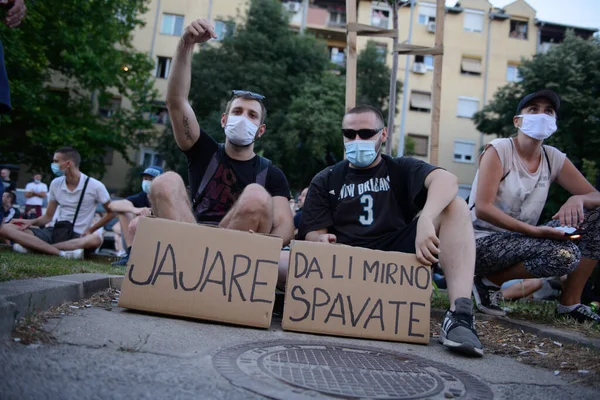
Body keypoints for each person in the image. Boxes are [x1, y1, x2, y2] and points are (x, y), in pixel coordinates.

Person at [286, 105, 483, 357]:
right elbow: (313, 233)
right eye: (350, 134)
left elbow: (448, 181)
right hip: (346, 262)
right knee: (281, 261)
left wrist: (427, 219)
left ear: (383, 134)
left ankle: (460, 315)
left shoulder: (399, 168)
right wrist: (320, 240)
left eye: (366, 133)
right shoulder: (326, 179)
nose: (357, 140)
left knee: (455, 207)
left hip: (398, 259)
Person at [149, 19, 294, 245]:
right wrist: (186, 44)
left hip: (235, 251)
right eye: (237, 111)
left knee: (256, 196)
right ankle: (193, 256)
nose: (243, 118)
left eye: (252, 115)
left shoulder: (271, 175)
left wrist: (267, 246)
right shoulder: (203, 152)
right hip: (190, 235)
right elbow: (176, 101)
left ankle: (204, 260)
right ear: (224, 120)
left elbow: (285, 224)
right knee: (163, 181)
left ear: (261, 130)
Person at [469, 89, 600, 323]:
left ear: (555, 122)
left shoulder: (553, 158)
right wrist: (537, 232)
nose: (542, 115)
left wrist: (578, 199)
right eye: (533, 110)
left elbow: (595, 195)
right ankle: (488, 282)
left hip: (522, 241)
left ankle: (570, 305)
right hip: (479, 242)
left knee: (596, 214)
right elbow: (483, 209)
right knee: (564, 255)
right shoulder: (499, 150)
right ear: (517, 121)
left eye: (548, 111)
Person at [0, 147, 114, 259]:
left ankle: (39, 248)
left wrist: (91, 229)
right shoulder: (56, 183)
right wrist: (30, 221)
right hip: (55, 231)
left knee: (95, 240)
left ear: (68, 163)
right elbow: (48, 217)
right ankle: (61, 253)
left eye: (56, 161)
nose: (53, 165)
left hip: (78, 236)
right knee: (6, 228)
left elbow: (111, 212)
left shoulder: (95, 185)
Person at [108, 166, 163, 266]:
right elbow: (112, 205)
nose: (147, 182)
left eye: (151, 179)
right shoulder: (140, 197)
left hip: (158, 243)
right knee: (123, 211)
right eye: (145, 179)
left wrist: (143, 216)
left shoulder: (164, 200)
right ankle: (130, 255)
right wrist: (134, 209)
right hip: (135, 242)